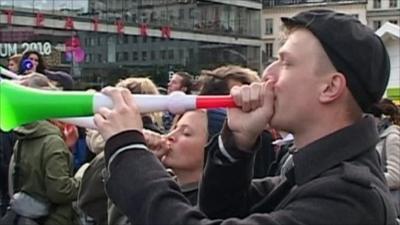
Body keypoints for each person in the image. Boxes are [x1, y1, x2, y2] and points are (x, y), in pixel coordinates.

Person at [94, 10, 398, 225]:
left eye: (286, 63)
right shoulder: (311, 175)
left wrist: (128, 152)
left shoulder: (349, 197)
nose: (267, 74)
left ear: (330, 87)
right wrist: (236, 144)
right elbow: (220, 211)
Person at [3, 74, 80, 225]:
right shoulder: (52, 141)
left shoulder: (25, 136)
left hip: (27, 216)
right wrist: (85, 180)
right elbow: (59, 191)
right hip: (54, 219)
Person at [145, 110, 208, 205]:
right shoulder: (162, 182)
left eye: (186, 133)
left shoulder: (208, 207)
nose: (169, 136)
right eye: (175, 128)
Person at [368, 98, 400, 211]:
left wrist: (368, 178)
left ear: (382, 118)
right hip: (382, 200)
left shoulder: (392, 138)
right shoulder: (377, 137)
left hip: (392, 204)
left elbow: (396, 177)